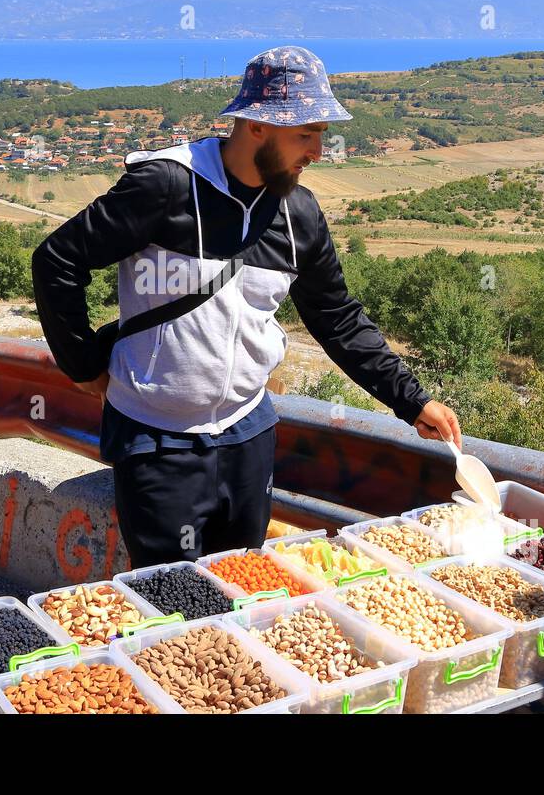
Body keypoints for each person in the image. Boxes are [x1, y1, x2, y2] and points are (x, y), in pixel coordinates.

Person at [32, 45, 461, 568]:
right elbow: (57, 261)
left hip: (248, 434)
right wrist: (81, 366)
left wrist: (412, 401)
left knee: (242, 584)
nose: (318, 152)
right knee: (171, 596)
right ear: (257, 125)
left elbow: (336, 317)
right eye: (306, 135)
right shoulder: (167, 186)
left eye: (321, 135)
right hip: (156, 437)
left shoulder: (298, 213)